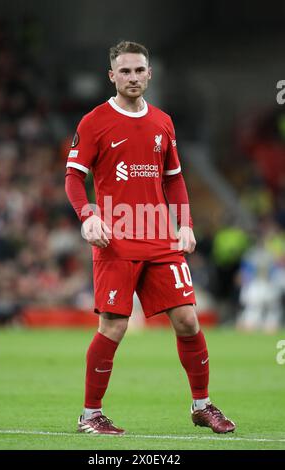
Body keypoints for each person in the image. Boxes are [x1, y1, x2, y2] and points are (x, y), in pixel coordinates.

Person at [65, 40, 235, 435]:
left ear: (149, 73)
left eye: (139, 70)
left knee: (188, 320)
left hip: (160, 238)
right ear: (112, 76)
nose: (133, 77)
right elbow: (74, 177)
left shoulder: (163, 122)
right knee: (114, 327)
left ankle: (202, 405)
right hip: (115, 239)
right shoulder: (94, 122)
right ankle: (90, 415)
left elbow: (173, 180)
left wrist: (186, 224)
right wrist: (88, 216)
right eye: (124, 71)